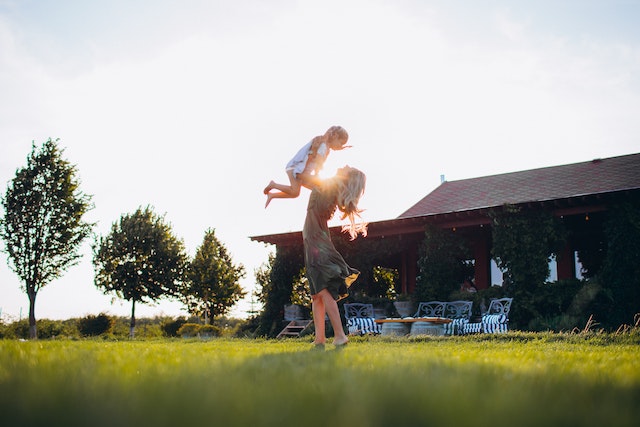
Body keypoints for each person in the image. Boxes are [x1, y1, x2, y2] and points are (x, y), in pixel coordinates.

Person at [303, 165, 367, 348]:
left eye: (349, 167)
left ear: (347, 176)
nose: (345, 165)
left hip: (316, 240)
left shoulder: (331, 186)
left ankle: (340, 335)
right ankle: (320, 339)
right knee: (316, 294)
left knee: (323, 289)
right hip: (312, 239)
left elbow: (306, 179)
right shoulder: (331, 185)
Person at [264, 125, 350, 208]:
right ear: (335, 136)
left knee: (304, 191)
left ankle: (272, 195)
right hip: (296, 168)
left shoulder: (325, 147)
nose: (341, 146)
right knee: (296, 191)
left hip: (303, 170)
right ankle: (274, 185)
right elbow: (318, 161)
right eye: (341, 143)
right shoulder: (323, 145)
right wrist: (316, 174)